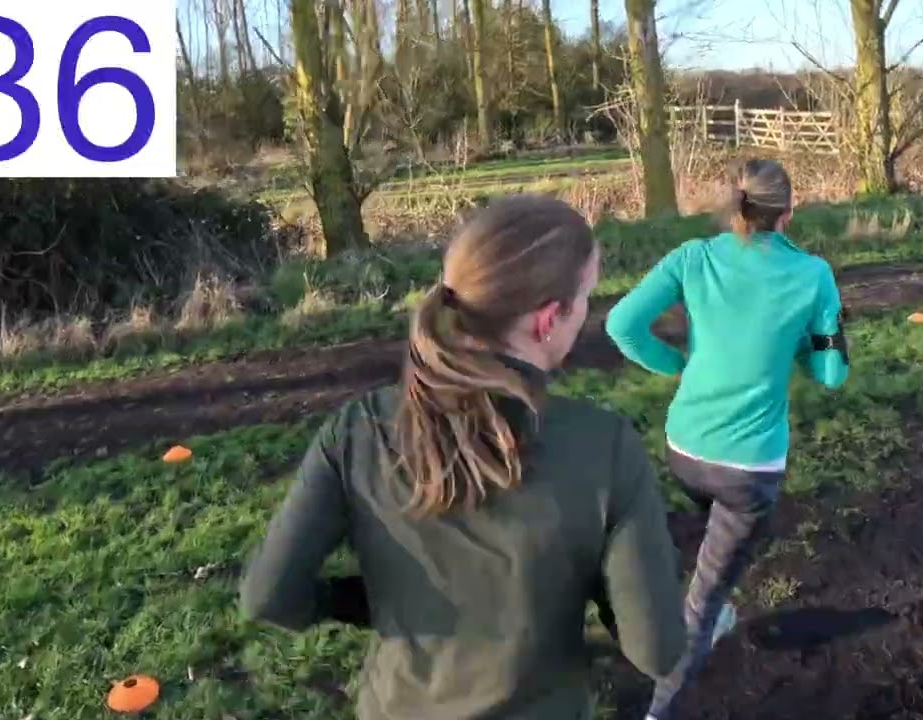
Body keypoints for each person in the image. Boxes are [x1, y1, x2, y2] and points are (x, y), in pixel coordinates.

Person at [239, 194, 687, 720]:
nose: (588, 310)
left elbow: (268, 596)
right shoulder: (604, 445)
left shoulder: (359, 429)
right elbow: (656, 650)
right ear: (548, 319)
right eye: (587, 296)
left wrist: (365, 601)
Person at [604, 158, 850, 720]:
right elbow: (832, 374)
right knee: (705, 598)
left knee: (714, 540)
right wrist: (812, 336)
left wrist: (678, 367)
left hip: (684, 451)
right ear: (790, 210)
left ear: (732, 203)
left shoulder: (692, 256)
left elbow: (621, 325)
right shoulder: (814, 276)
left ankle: (710, 614)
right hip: (748, 473)